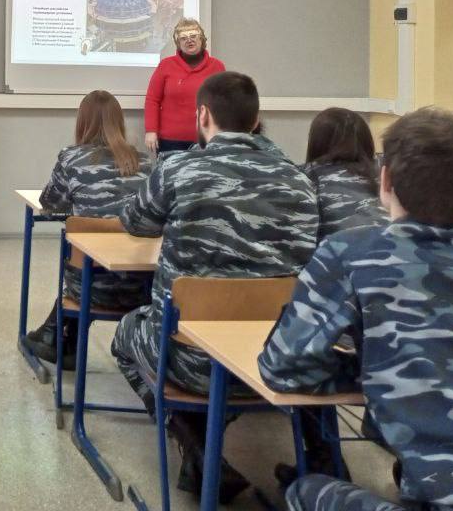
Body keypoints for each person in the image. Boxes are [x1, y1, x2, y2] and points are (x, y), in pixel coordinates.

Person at [260, 107, 453, 511]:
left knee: (305, 490)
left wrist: (371, 369)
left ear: (384, 180)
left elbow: (281, 367)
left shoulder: (351, 253)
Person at [112, 71, 318, 501]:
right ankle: (203, 442)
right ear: (256, 120)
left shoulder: (178, 168)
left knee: (125, 334)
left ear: (202, 116)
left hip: (187, 360)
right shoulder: (300, 180)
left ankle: (192, 440)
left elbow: (134, 222)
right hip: (273, 361)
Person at [23, 90, 153, 370]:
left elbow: (50, 202)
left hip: (88, 288)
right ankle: (58, 335)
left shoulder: (71, 158)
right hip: (145, 288)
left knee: (77, 249)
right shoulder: (145, 163)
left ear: (82, 122)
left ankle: (57, 335)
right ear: (120, 122)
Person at [143, 19, 226, 154]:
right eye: (183, 38)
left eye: (193, 36)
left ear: (201, 38)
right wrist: (151, 130)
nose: (189, 40)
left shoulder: (217, 66)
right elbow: (152, 100)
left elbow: (224, 102)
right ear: (178, 43)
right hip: (170, 142)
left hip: (207, 139)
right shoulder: (166, 65)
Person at [304, 107, 387, 240]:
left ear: (316, 142)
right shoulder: (387, 170)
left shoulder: (308, 176)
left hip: (340, 250)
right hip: (398, 248)